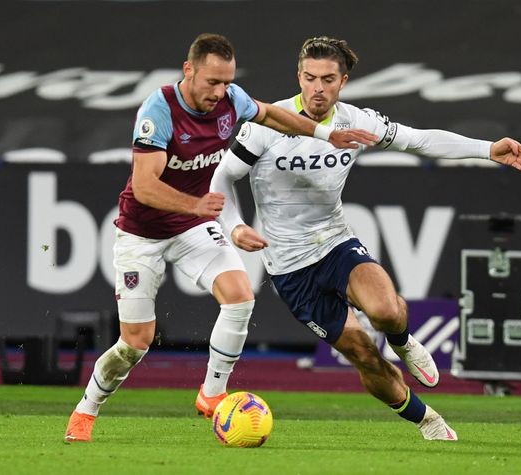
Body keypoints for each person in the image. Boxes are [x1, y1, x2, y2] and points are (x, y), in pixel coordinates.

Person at [210, 36, 521, 441]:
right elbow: (221, 177)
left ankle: (403, 342)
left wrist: (488, 149)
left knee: (386, 311)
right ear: (299, 77)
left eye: (328, 79)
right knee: (363, 353)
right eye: (310, 78)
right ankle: (426, 420)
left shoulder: (356, 122)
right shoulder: (267, 123)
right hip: (289, 268)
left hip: (335, 242)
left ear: (343, 81)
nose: (318, 88)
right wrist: (235, 224)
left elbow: (418, 139)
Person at [64, 33, 375, 442]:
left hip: (193, 226)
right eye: (212, 82)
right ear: (188, 70)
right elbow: (143, 187)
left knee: (240, 295)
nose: (220, 91)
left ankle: (212, 395)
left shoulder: (230, 101)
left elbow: (272, 116)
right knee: (135, 342)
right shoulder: (159, 111)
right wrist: (196, 205)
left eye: (227, 82)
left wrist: (323, 134)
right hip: (142, 234)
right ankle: (86, 411)